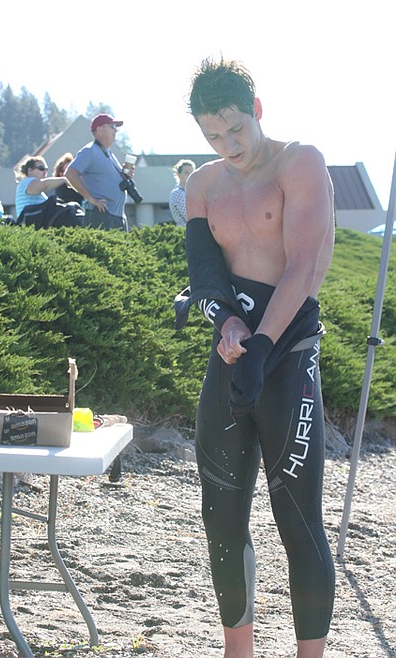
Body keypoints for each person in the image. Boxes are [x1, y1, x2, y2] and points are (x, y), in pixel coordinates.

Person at [180, 58, 335, 658]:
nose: (229, 145)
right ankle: (237, 651)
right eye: (213, 136)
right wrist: (227, 323)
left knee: (298, 519)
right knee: (220, 516)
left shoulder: (300, 162)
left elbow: (303, 265)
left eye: (236, 128)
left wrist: (263, 344)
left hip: (288, 353)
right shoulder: (202, 185)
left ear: (258, 110)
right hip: (233, 353)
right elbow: (205, 273)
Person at [65, 113, 136, 231]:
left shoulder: (107, 152)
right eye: (112, 127)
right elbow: (70, 173)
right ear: (99, 129)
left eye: (116, 127)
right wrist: (91, 199)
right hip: (101, 215)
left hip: (117, 216)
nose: (115, 130)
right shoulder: (89, 151)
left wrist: (124, 174)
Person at [169, 159, 196, 226]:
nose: (190, 175)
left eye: (192, 173)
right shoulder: (177, 192)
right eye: (186, 173)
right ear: (179, 174)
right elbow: (190, 216)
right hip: (185, 230)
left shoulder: (191, 191)